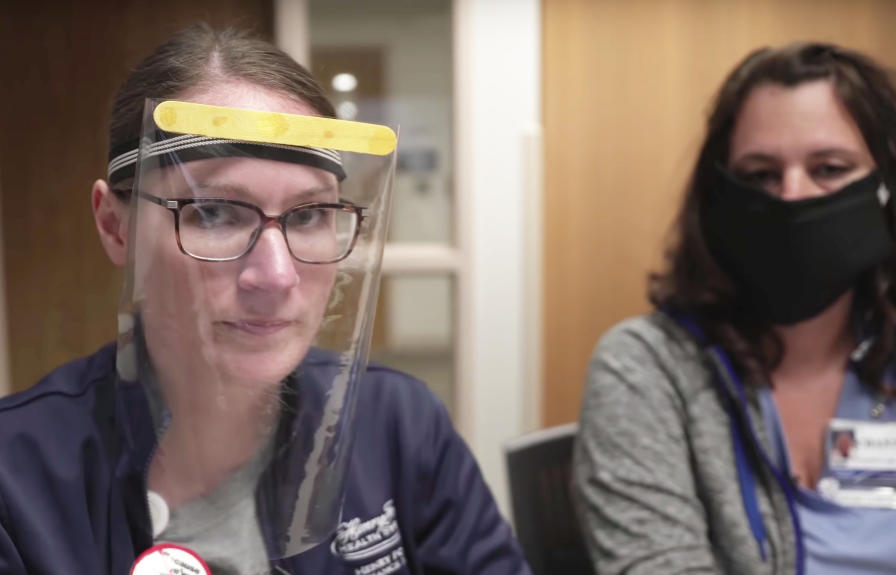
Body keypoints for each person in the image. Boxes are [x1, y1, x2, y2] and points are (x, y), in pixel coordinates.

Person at [0, 24, 531, 575]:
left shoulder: (399, 427)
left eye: (307, 216)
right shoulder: (17, 485)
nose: (276, 276)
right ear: (115, 227)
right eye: (212, 213)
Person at [572, 42, 896, 575]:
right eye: (759, 175)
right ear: (720, 195)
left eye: (829, 167)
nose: (792, 196)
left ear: (889, 189)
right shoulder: (648, 367)